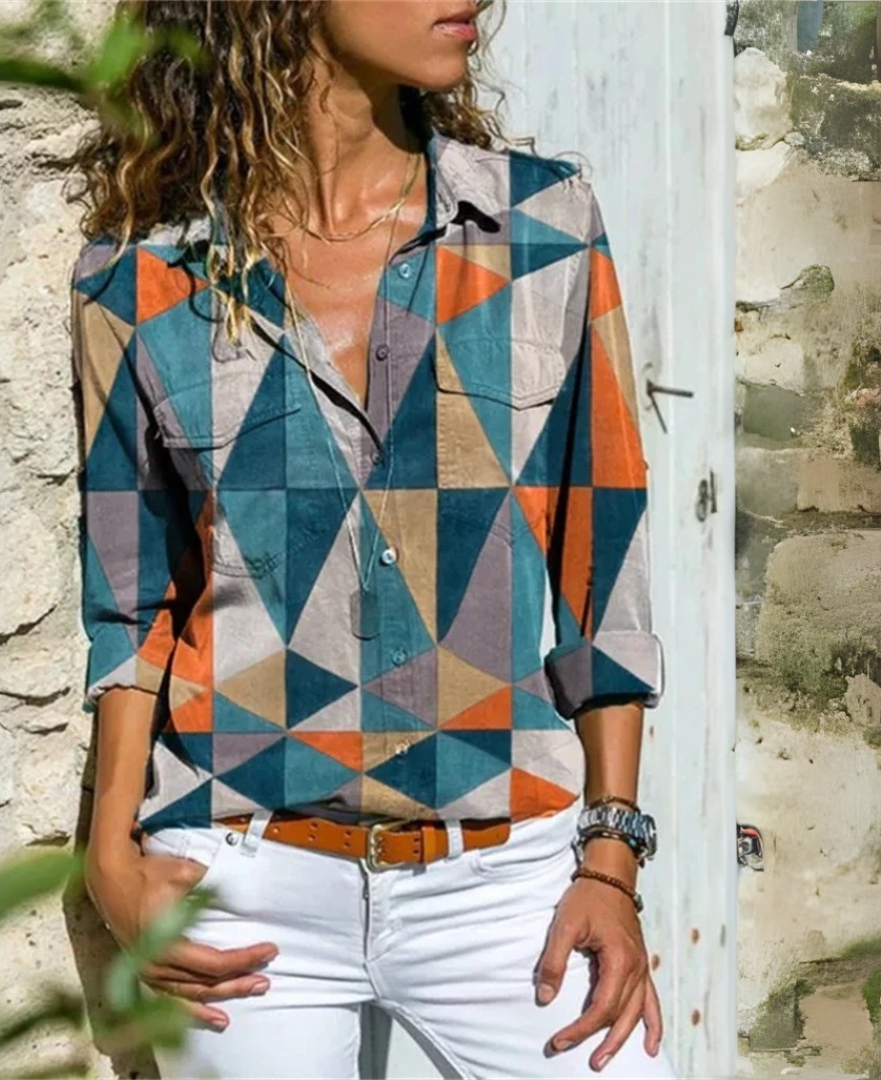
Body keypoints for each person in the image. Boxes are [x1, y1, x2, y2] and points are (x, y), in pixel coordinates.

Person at [68, 1, 679, 1077]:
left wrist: (610, 858)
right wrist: (111, 853)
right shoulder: (144, 272)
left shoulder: (540, 228)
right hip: (243, 883)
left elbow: (606, 562)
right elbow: (132, 595)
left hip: (510, 883)